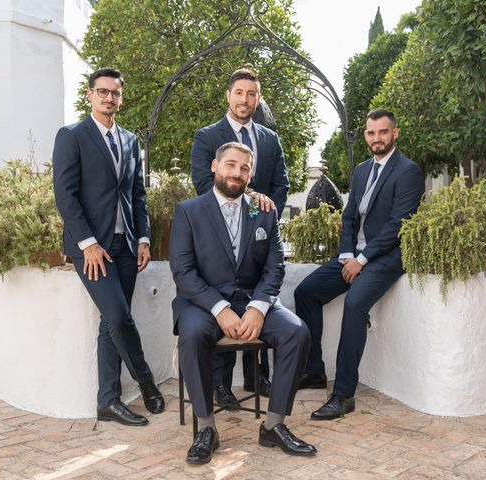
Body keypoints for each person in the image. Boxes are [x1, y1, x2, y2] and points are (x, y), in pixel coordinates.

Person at [171, 142, 316, 464]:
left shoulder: (264, 210)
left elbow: (275, 266)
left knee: (297, 332)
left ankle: (274, 425)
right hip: (203, 303)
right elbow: (182, 271)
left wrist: (259, 307)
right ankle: (206, 429)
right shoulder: (188, 211)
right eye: (231, 165)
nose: (237, 173)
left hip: (253, 299)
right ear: (215, 166)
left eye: (244, 168)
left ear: (251, 173)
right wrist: (219, 309)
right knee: (192, 335)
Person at [294, 108, 424, 420]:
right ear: (366, 135)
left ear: (395, 133)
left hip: (388, 257)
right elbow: (350, 215)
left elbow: (397, 224)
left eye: (383, 132)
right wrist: (347, 254)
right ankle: (313, 371)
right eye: (371, 133)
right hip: (355, 256)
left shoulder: (409, 171)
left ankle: (343, 394)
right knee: (306, 292)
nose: (376, 138)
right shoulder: (362, 170)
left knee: (354, 305)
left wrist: (363, 259)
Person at [53, 67, 164, 427]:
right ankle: (146, 382)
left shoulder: (130, 140)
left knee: (110, 324)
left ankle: (108, 400)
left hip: (127, 246)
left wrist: (144, 237)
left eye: (115, 93)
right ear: (90, 94)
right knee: (118, 316)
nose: (109, 98)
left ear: (121, 96)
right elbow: (65, 194)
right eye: (102, 92)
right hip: (91, 248)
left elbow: (137, 194)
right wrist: (86, 244)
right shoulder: (72, 135)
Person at [191, 67, 289, 405]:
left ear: (258, 98)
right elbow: (203, 186)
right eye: (239, 93)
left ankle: (256, 377)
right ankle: (220, 385)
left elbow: (281, 184)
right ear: (228, 95)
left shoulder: (269, 139)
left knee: (254, 293)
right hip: (218, 233)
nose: (244, 99)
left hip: (258, 233)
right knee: (225, 292)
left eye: (251, 94)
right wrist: (247, 200)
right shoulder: (207, 136)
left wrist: (263, 214)